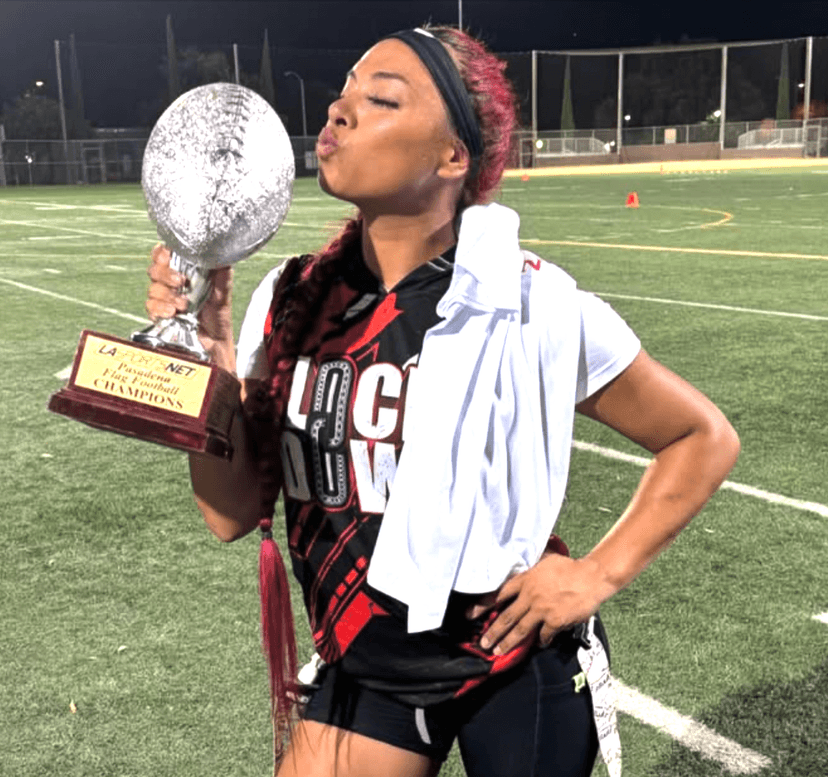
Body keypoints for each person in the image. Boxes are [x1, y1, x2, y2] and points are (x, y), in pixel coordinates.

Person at [145, 25, 740, 777]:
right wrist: (213, 348)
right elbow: (229, 512)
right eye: (347, 89)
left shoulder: (530, 302)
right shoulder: (289, 299)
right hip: (368, 664)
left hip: (511, 664)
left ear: (452, 157)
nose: (340, 108)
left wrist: (595, 573)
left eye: (381, 97)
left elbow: (701, 436)